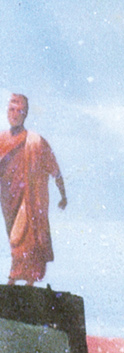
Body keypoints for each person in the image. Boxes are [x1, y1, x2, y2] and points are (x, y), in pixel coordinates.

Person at [0, 95, 66, 284]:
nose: (14, 114)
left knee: (23, 237)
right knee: (15, 235)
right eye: (11, 110)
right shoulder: (1, 139)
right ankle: (20, 279)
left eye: (18, 111)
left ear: (25, 114)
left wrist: (63, 196)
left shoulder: (35, 142)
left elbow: (55, 170)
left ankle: (20, 278)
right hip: (8, 199)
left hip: (30, 199)